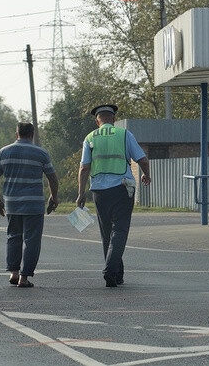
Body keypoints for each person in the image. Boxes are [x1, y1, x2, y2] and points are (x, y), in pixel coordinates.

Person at [77, 104, 151, 288]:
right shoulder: (124, 134)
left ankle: (117, 274)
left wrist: (81, 193)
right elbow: (142, 159)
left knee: (107, 233)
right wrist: (146, 175)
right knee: (120, 230)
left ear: (97, 121)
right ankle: (111, 271)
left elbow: (84, 167)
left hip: (99, 191)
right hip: (122, 189)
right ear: (114, 119)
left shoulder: (89, 137)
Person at [0, 122, 58, 288]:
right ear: (32, 135)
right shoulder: (41, 153)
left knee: (14, 237)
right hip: (34, 204)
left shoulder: (3, 152)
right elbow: (52, 178)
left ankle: (13, 272)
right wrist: (54, 197)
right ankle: (24, 277)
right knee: (32, 240)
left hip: (12, 204)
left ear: (16, 134)